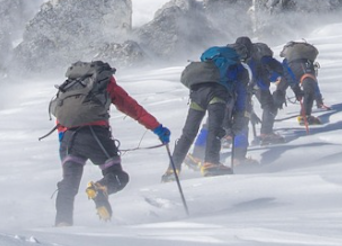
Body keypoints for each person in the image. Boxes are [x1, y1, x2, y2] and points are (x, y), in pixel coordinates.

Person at [49, 60, 170, 227]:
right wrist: (158, 129)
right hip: (96, 136)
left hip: (69, 139)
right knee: (118, 176)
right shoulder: (105, 84)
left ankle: (62, 224)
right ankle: (101, 188)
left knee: (68, 185)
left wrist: (64, 147)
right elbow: (133, 108)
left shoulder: (69, 87)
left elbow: (61, 118)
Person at [163, 44, 247, 181]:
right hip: (217, 94)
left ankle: (172, 168)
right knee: (215, 129)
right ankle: (211, 163)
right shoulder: (239, 68)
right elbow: (241, 94)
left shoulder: (212, 58)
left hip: (197, 92)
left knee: (188, 132)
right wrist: (240, 114)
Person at [276, 40, 327, 125]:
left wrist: (295, 89)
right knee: (309, 89)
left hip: (290, 72)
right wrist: (318, 98)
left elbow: (286, 74)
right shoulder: (307, 61)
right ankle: (305, 116)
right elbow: (313, 84)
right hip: (305, 70)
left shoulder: (287, 60)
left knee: (280, 90)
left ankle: (270, 112)